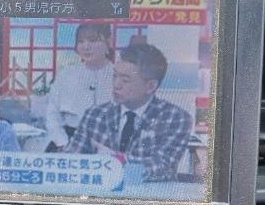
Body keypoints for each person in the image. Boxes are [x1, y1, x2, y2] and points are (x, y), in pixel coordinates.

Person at [65, 44, 192, 182]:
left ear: (150, 86)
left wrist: (115, 160)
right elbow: (71, 160)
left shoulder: (176, 118)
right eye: (115, 76)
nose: (116, 85)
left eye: (125, 80)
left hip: (148, 194)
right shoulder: (94, 114)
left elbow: (163, 166)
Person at [45, 23, 114, 150]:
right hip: (67, 141)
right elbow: (52, 114)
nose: (86, 46)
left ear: (109, 41)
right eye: (81, 41)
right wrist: (63, 143)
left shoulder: (118, 75)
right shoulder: (66, 74)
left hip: (109, 144)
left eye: (93, 40)